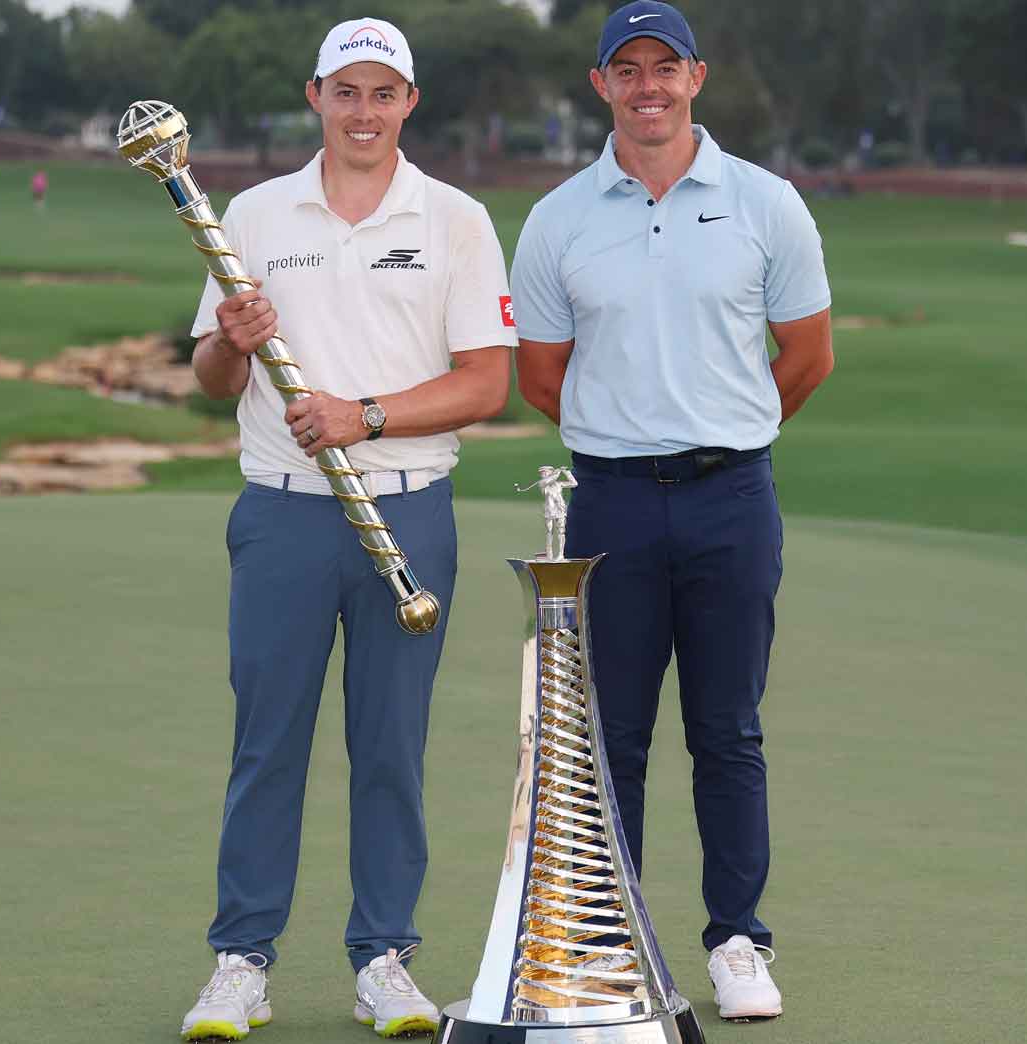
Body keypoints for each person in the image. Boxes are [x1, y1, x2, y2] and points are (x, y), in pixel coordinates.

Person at [177, 16, 516, 1042]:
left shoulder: (453, 218)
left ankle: (383, 960)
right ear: (313, 96)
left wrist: (360, 414)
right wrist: (232, 348)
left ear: (409, 102)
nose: (363, 112)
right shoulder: (252, 211)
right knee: (265, 745)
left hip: (408, 506)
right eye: (345, 91)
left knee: (388, 748)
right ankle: (241, 961)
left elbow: (484, 383)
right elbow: (208, 380)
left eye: (383, 93)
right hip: (281, 511)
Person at [509, 0, 833, 1023]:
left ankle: (736, 940)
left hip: (731, 497)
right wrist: (630, 433)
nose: (646, 86)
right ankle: (611, 946)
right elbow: (539, 375)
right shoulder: (557, 217)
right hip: (609, 504)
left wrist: (716, 429)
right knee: (614, 742)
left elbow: (807, 355)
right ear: (600, 84)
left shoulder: (764, 203)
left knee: (727, 728)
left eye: (665, 67)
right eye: (625, 69)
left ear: (697, 76)